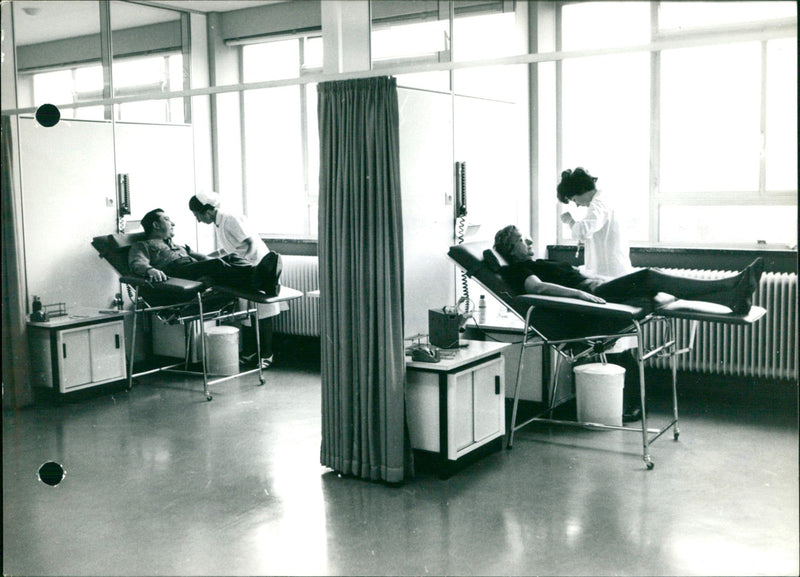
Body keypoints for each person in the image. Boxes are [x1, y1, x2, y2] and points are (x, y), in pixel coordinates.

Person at [494, 225, 762, 317]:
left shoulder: (538, 262)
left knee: (652, 283)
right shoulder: (517, 269)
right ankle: (731, 284)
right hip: (593, 294)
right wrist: (579, 295)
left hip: (598, 287)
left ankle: (730, 297)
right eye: (521, 239)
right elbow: (537, 289)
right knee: (649, 276)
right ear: (510, 247)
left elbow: (579, 275)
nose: (529, 242)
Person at [189, 193, 281, 369]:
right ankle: (250, 352)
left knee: (263, 313)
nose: (198, 220)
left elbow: (251, 243)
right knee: (246, 313)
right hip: (244, 268)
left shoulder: (230, 218)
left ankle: (267, 354)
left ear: (208, 211)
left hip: (258, 267)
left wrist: (247, 265)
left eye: (198, 215)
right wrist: (209, 257)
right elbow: (228, 249)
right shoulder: (219, 222)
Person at [128, 208, 282, 298]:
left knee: (231, 257)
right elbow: (137, 263)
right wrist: (150, 270)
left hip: (191, 270)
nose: (173, 223)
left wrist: (227, 261)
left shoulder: (179, 246)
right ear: (155, 225)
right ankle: (260, 280)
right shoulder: (142, 245)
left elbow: (202, 258)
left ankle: (262, 279)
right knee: (216, 264)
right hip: (175, 275)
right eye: (167, 220)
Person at [558, 167, 632, 279]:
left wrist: (570, 220)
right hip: (612, 269)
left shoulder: (599, 204)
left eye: (574, 200)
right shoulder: (603, 200)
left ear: (581, 190)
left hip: (609, 273)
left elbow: (582, 231)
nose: (577, 205)